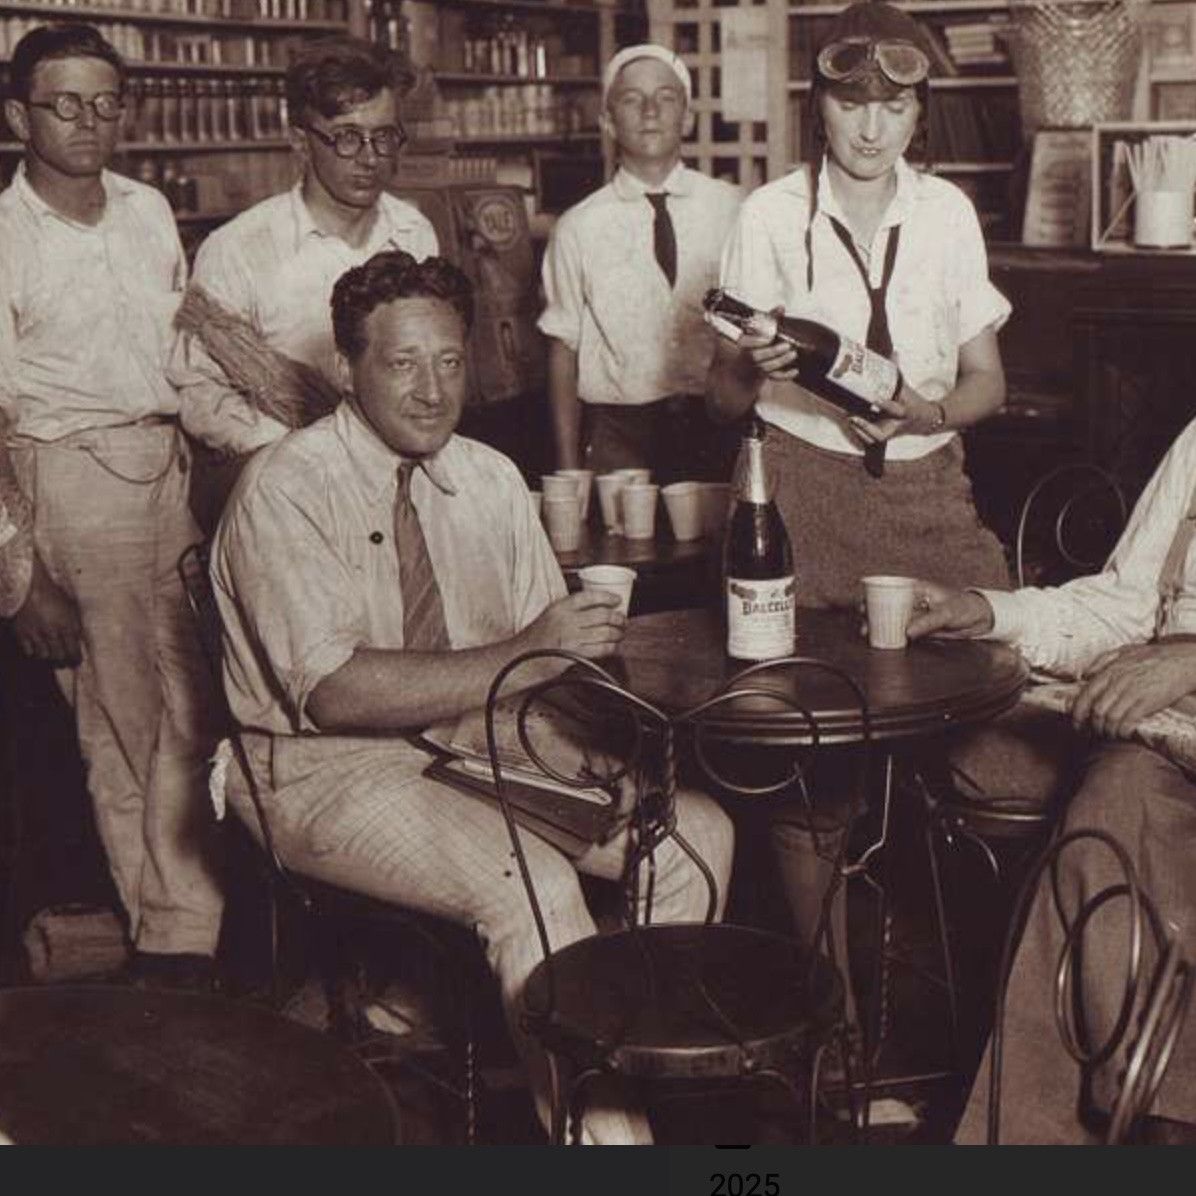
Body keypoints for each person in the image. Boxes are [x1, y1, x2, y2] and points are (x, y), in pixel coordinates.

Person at [210, 251, 734, 1145]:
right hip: (318, 769)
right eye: (402, 363)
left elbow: (549, 668)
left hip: (476, 739)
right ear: (346, 368)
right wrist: (525, 653)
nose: (431, 390)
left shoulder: (490, 478)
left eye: (450, 361)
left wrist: (595, 750)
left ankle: (613, 1084)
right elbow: (334, 693)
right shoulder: (286, 486)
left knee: (695, 837)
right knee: (533, 885)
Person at [705, 0, 1014, 1014]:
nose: (873, 127)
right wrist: (751, 365)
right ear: (818, 106)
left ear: (920, 112)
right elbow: (719, 401)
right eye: (851, 103)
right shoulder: (766, 216)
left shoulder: (947, 214)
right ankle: (829, 1001)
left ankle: (987, 988)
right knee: (811, 745)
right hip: (799, 491)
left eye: (895, 105)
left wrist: (930, 409)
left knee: (1002, 692)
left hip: (924, 492)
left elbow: (988, 383)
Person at [0, 23, 224, 986]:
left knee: (195, 708)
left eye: (106, 102)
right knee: (126, 724)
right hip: (71, 478)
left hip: (166, 469)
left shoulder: (146, 210)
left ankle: (192, 925)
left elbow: (179, 356)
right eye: (65, 104)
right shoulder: (5, 237)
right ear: (19, 118)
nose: (90, 121)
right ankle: (176, 948)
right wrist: (19, 573)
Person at [903, 415, 1196, 1144]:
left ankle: (1164, 1123)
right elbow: (1124, 606)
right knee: (1105, 819)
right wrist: (987, 611)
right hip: (1171, 739)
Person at [169, 35, 438, 460]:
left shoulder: (414, 233)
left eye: (384, 136)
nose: (369, 158)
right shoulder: (238, 249)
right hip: (285, 469)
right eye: (347, 137)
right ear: (300, 141)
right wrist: (294, 454)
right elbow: (202, 392)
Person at [538, 44, 743, 483]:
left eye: (666, 97)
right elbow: (562, 350)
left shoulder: (733, 209)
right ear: (608, 122)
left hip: (717, 425)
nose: (650, 111)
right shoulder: (578, 226)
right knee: (621, 530)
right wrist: (569, 469)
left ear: (687, 118)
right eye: (632, 99)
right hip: (618, 434)